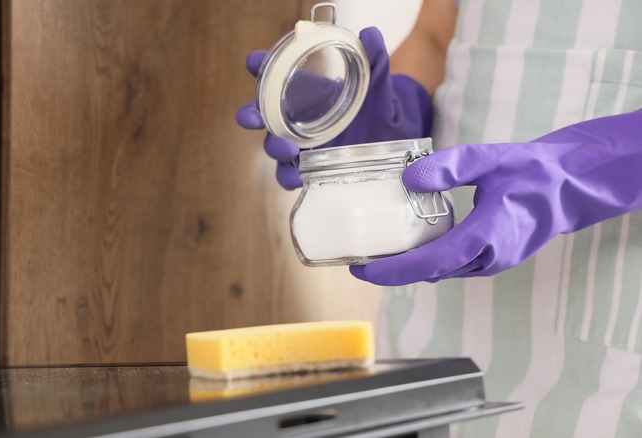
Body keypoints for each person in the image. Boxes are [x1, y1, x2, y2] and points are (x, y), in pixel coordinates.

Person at [237, 0, 642, 436]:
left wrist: (586, 168)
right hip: (427, 333)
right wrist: (400, 108)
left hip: (605, 354)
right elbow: (437, 29)